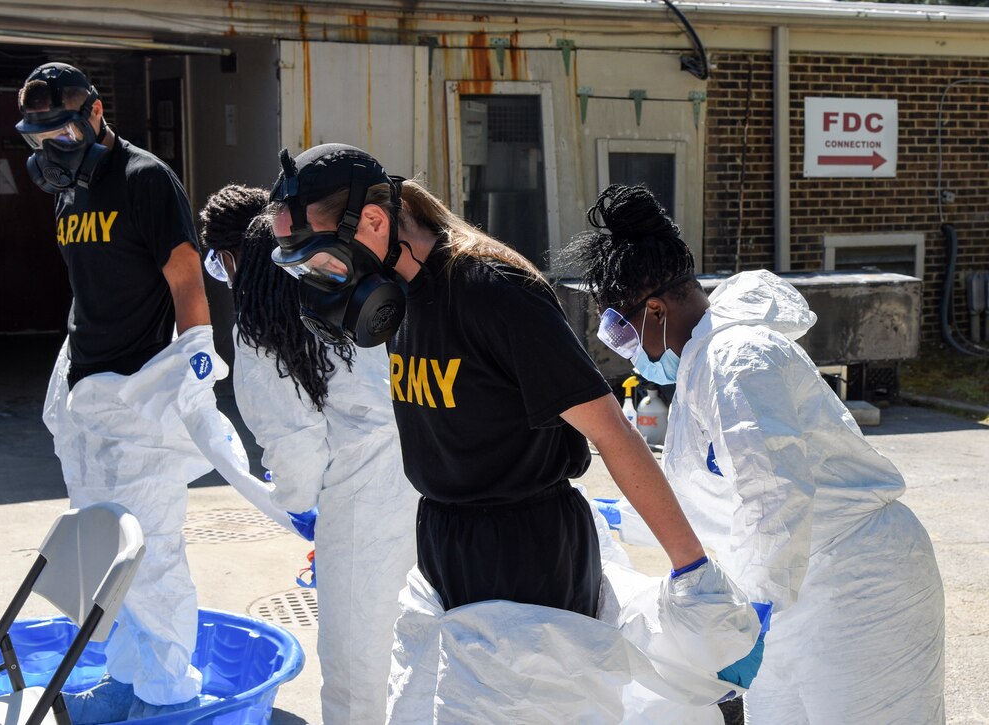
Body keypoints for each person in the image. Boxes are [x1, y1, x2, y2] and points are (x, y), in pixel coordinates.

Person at [264, 144, 766, 721]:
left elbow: (611, 432)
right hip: (446, 543)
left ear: (375, 222)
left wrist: (692, 572)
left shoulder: (490, 290)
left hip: (527, 553)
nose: (323, 284)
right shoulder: (404, 296)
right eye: (301, 270)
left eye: (324, 262)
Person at [567, 183, 946, 724]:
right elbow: (719, 502)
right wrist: (618, 519)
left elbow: (777, 493)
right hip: (794, 587)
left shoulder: (740, 356)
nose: (623, 347)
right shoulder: (705, 363)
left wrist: (758, 612)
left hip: (859, 583)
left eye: (618, 328)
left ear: (653, 309)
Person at [16, 63, 283, 723]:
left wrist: (192, 369)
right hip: (90, 395)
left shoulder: (144, 180)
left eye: (63, 129)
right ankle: (127, 679)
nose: (51, 147)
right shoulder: (67, 191)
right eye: (38, 136)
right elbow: (92, 288)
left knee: (153, 554)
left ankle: (170, 694)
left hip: (143, 397)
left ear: (99, 114)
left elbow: (186, 281)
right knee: (109, 554)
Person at [198, 184, 419, 723]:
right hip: (427, 479)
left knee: (355, 665)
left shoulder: (260, 329)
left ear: (230, 259)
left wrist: (299, 504)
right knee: (416, 638)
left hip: (358, 507)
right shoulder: (334, 284)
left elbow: (294, 445)